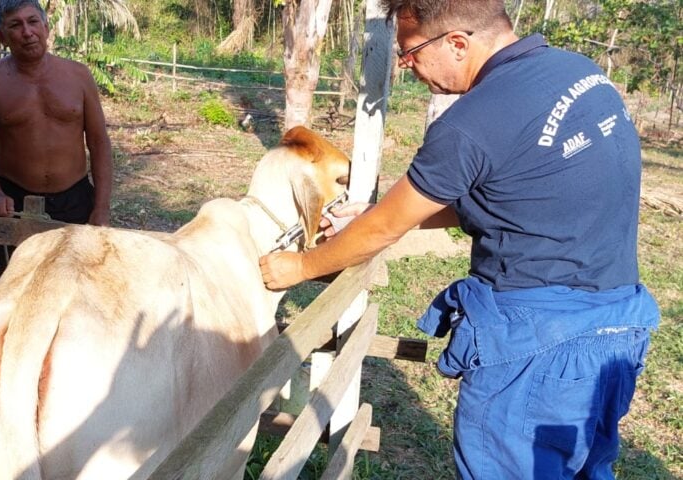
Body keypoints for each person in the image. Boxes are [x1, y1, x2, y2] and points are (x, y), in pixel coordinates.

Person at [259, 1, 660, 478]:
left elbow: (385, 231)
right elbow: (516, 192)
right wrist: (377, 212)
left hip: (536, 346)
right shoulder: (580, 73)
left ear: (456, 43)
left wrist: (303, 267)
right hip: (618, 325)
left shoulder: (470, 123)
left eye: (410, 53)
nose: (407, 67)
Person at [0, 0, 112, 290]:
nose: (27, 32)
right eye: (15, 25)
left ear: (46, 27)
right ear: (0, 35)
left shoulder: (78, 75)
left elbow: (99, 143)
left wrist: (102, 208)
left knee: (84, 288)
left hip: (76, 199)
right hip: (12, 202)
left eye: (33, 22)